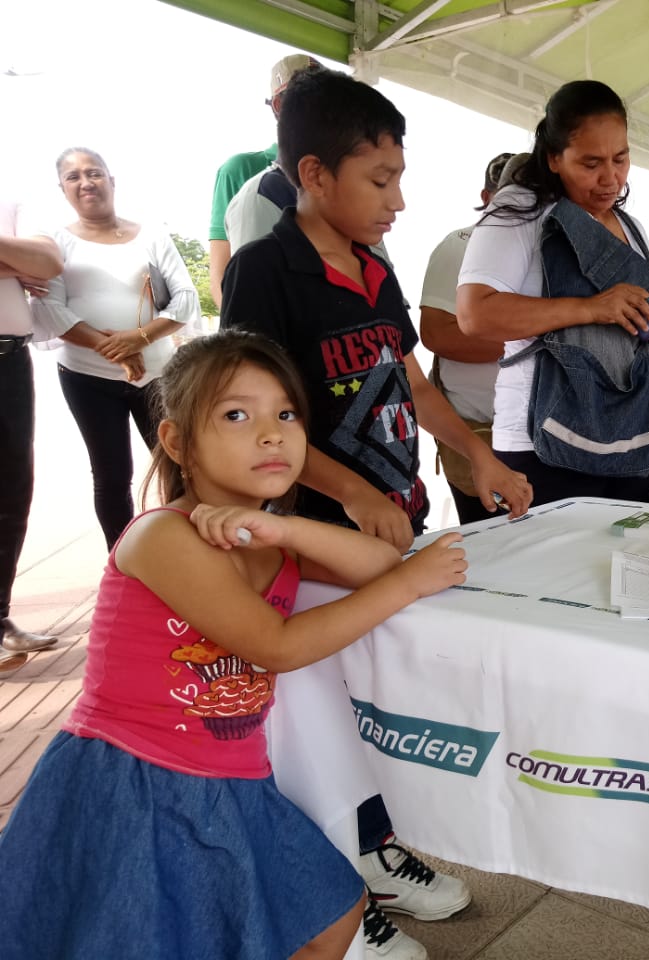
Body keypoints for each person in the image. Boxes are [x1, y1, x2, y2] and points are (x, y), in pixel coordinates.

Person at [0, 329, 471, 958]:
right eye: (236, 415)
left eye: (286, 414)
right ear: (176, 442)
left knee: (330, 910)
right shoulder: (162, 538)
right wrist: (411, 583)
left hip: (234, 776)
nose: (272, 433)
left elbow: (378, 562)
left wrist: (284, 527)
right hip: (136, 777)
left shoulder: (268, 538)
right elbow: (276, 645)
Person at [221, 65, 531, 960]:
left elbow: (410, 377)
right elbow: (253, 422)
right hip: (312, 544)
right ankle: (336, 905)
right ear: (316, 176)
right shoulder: (265, 272)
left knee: (376, 702)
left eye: (400, 177)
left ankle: (376, 851)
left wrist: (477, 455)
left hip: (392, 524)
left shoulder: (373, 270)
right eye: (380, 179)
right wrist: (350, 491)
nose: (397, 199)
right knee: (314, 717)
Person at [457, 79, 649, 506]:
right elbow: (474, 315)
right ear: (554, 158)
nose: (610, 178)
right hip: (542, 442)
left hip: (629, 435)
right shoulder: (520, 211)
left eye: (621, 158)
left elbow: (621, 333)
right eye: (591, 163)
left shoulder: (628, 226)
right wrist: (592, 308)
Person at [34, 148, 197, 549]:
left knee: (181, 466)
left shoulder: (152, 235)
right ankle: (124, 563)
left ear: (111, 180)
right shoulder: (55, 242)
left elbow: (185, 300)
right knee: (110, 475)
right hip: (86, 378)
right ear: (62, 189)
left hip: (158, 375)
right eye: (73, 177)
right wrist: (116, 349)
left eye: (94, 173)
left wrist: (137, 339)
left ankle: (195, 552)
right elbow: (49, 308)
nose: (86, 182)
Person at [418, 151, 515, 523]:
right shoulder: (461, 244)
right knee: (489, 544)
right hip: (478, 432)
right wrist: (531, 340)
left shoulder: (547, 249)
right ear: (486, 198)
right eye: (507, 199)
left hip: (537, 434)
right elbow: (437, 334)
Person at [0, 200, 63, 667]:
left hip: (9, 361)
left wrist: (23, 262)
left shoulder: (12, 199)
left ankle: (0, 618)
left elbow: (47, 262)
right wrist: (11, 264)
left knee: (11, 492)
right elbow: (29, 263)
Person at [208, 53, 317, 309]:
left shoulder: (340, 174)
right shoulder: (241, 169)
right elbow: (222, 272)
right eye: (305, 97)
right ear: (278, 105)